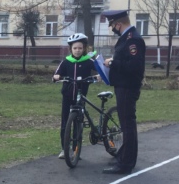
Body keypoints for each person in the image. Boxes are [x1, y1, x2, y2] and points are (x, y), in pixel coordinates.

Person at [101, 9, 146, 174]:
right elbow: (126, 60)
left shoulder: (132, 40)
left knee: (127, 125)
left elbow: (134, 66)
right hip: (123, 86)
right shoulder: (127, 38)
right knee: (126, 124)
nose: (112, 28)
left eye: (112, 25)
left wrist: (113, 63)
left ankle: (125, 163)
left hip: (127, 87)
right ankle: (125, 157)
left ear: (118, 24)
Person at [53, 33, 97, 159]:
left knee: (78, 123)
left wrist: (98, 76)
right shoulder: (66, 62)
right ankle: (64, 148)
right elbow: (57, 73)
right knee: (65, 123)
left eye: (80, 48)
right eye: (75, 48)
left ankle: (76, 149)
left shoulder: (88, 61)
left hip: (80, 96)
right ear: (71, 49)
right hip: (67, 96)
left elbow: (100, 70)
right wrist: (56, 76)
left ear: (84, 49)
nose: (77, 50)